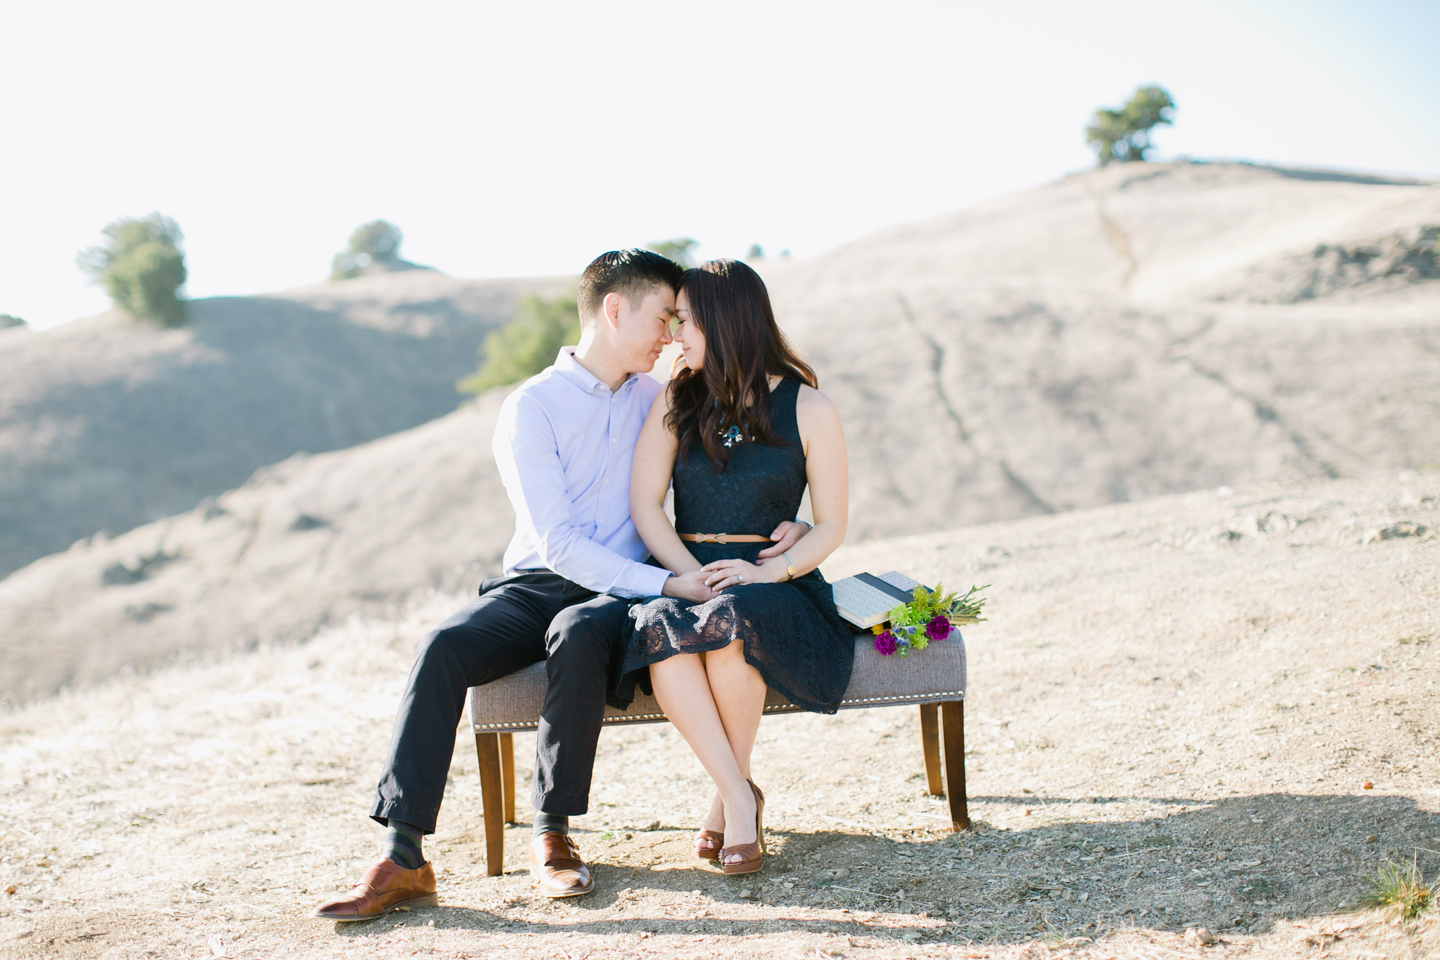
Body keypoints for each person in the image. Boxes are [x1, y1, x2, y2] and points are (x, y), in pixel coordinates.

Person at [312, 250, 811, 920]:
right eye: (662, 316)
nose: (670, 334)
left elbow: (736, 469)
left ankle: (554, 835)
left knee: (577, 633)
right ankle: (404, 857)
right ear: (613, 310)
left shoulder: (662, 397)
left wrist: (796, 527)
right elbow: (558, 544)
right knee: (442, 646)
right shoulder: (532, 408)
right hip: (541, 580)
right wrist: (667, 579)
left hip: (617, 595)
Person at [614, 258, 853, 876]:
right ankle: (740, 794)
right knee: (661, 625)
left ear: (723, 322)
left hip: (774, 584)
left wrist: (770, 571)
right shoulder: (678, 397)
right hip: (686, 568)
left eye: (684, 320)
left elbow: (830, 523)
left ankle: (730, 807)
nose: (673, 335)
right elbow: (646, 504)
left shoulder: (811, 408)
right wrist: (689, 574)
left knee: (731, 623)